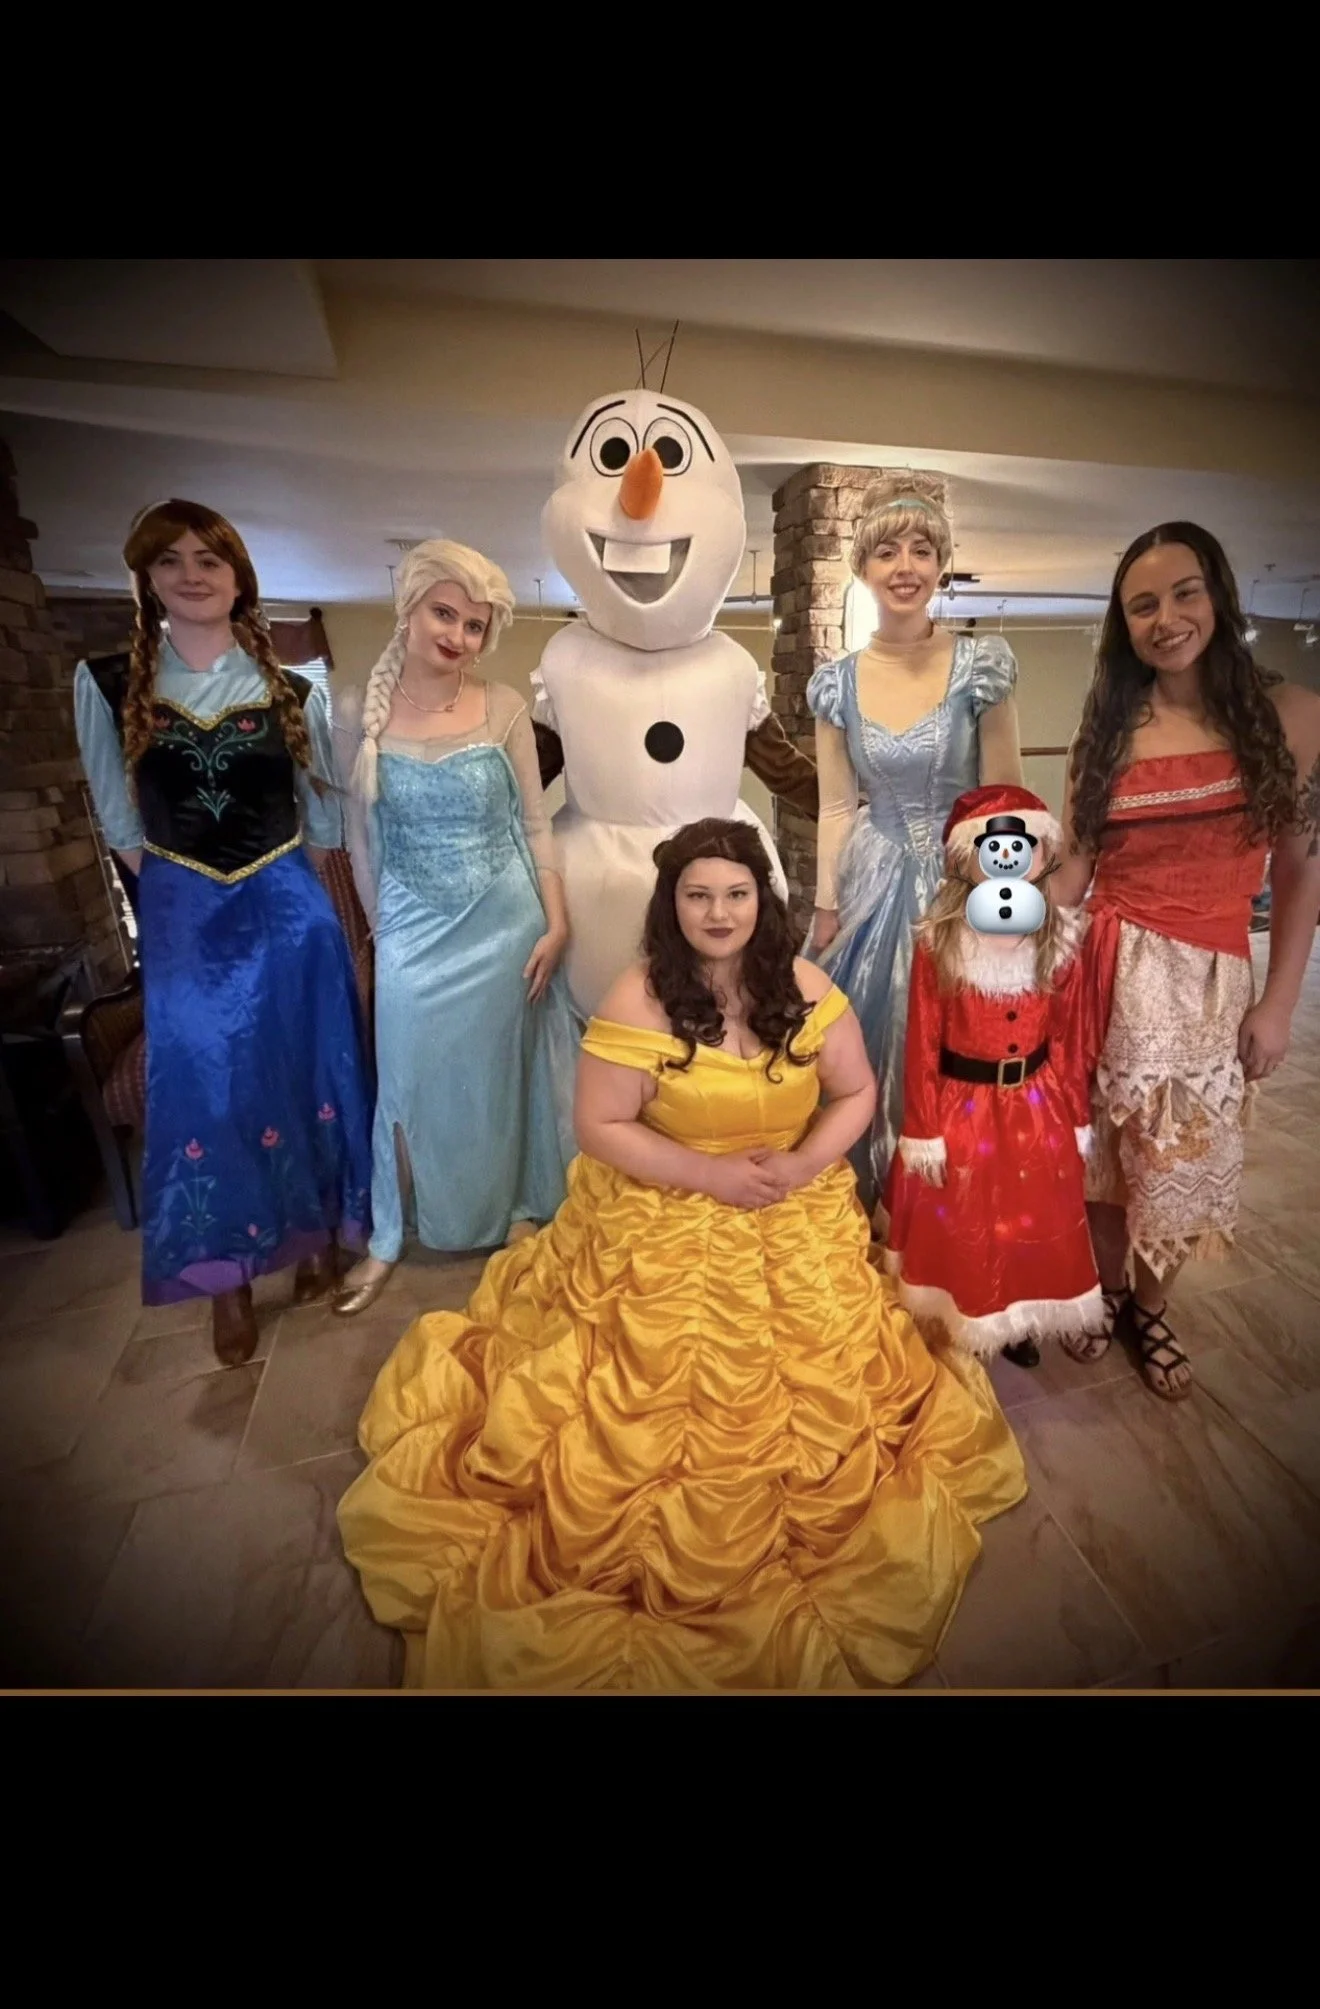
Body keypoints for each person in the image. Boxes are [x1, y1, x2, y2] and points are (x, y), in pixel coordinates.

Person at [337, 818, 1027, 1691]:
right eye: (698, 894)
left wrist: (806, 1162)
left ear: (761, 903)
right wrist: (708, 1176)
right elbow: (600, 1126)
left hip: (787, 1194)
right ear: (672, 905)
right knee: (633, 1385)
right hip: (665, 1202)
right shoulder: (637, 997)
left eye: (736, 894)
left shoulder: (807, 984)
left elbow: (857, 1092)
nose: (718, 911)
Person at [72, 500, 374, 1365]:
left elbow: (322, 818)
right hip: (185, 912)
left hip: (289, 905)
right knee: (207, 1090)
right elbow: (118, 822)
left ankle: (318, 1241)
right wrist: (184, 897)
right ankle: (225, 1279)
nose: (193, 573)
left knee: (306, 1066)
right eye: (172, 560)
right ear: (147, 577)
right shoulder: (103, 681)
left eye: (210, 557)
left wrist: (304, 899)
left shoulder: (293, 689)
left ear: (239, 575)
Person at [1052, 523, 1320, 1400]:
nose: (1166, 618)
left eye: (1184, 593)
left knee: (1180, 1164)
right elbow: (1073, 877)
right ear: (1123, 624)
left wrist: (1278, 1004)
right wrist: (985, 913)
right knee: (1106, 1159)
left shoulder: (1295, 715)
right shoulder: (1108, 729)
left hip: (1212, 981)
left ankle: (1152, 1305)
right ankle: (1108, 1288)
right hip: (1108, 973)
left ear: (1219, 595)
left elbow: (1299, 869)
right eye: (1142, 604)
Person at [330, 540, 576, 1317]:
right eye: (445, 612)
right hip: (412, 932)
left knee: (507, 1077)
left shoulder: (504, 705)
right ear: (409, 608)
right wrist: (383, 936)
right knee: (405, 1080)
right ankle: (389, 1234)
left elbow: (536, 828)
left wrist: (558, 921)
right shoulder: (347, 711)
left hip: (507, 925)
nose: (457, 635)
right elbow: (359, 842)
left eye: (474, 625)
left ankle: (516, 1210)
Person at [806, 470, 1024, 1213]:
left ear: (941, 564)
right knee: (866, 1044)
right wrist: (827, 905)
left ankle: (951, 1216)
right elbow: (837, 806)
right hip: (874, 878)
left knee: (958, 1050)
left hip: (962, 886)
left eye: (923, 549)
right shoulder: (836, 682)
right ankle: (871, 1208)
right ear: (863, 568)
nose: (906, 566)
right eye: (888, 551)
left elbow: (1007, 803)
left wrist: (996, 903)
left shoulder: (981, 667)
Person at [882, 785, 1104, 1370]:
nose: (1008, 857)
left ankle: (1016, 1315)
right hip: (962, 1107)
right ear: (965, 859)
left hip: (1036, 1105)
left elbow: (1070, 1039)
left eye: (1020, 845)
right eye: (993, 846)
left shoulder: (1060, 941)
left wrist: (1075, 1116)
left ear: (1039, 853)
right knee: (967, 1219)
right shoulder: (940, 943)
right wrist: (923, 1128)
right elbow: (923, 1040)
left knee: (1024, 1217)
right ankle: (965, 1316)